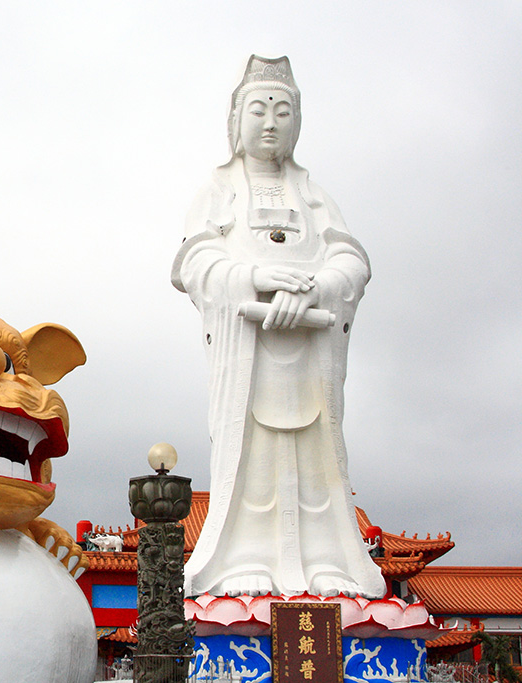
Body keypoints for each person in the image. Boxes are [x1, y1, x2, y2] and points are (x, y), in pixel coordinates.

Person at [171, 55, 384, 598]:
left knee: (316, 452)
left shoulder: (313, 195)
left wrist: (313, 288)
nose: (271, 123)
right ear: (236, 121)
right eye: (259, 110)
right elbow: (194, 264)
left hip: (310, 352)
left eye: (284, 112)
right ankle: (245, 556)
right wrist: (252, 277)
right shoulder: (220, 190)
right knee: (251, 450)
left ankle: (327, 560)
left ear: (298, 123)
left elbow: (352, 261)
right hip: (250, 350)